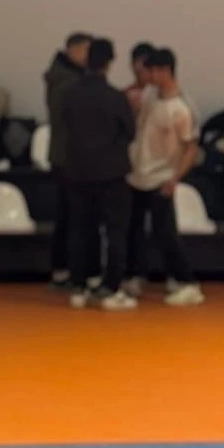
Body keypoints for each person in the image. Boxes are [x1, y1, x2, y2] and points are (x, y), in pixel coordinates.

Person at [60, 39, 138, 310]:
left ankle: (79, 286)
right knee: (115, 232)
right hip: (111, 174)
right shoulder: (115, 97)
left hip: (77, 171)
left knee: (80, 230)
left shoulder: (70, 95)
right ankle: (110, 287)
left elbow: (65, 125)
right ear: (108, 63)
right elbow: (130, 132)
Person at [125, 48, 206, 306]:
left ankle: (188, 282)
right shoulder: (149, 95)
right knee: (134, 229)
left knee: (165, 232)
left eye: (149, 71)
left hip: (161, 177)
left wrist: (175, 178)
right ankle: (135, 275)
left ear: (164, 71)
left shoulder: (181, 108)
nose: (145, 76)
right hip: (137, 174)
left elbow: (191, 147)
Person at [43, 32, 92, 287]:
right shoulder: (66, 81)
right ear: (74, 50)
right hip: (69, 157)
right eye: (86, 50)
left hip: (64, 155)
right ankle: (69, 270)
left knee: (67, 216)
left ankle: (63, 269)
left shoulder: (61, 76)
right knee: (72, 217)